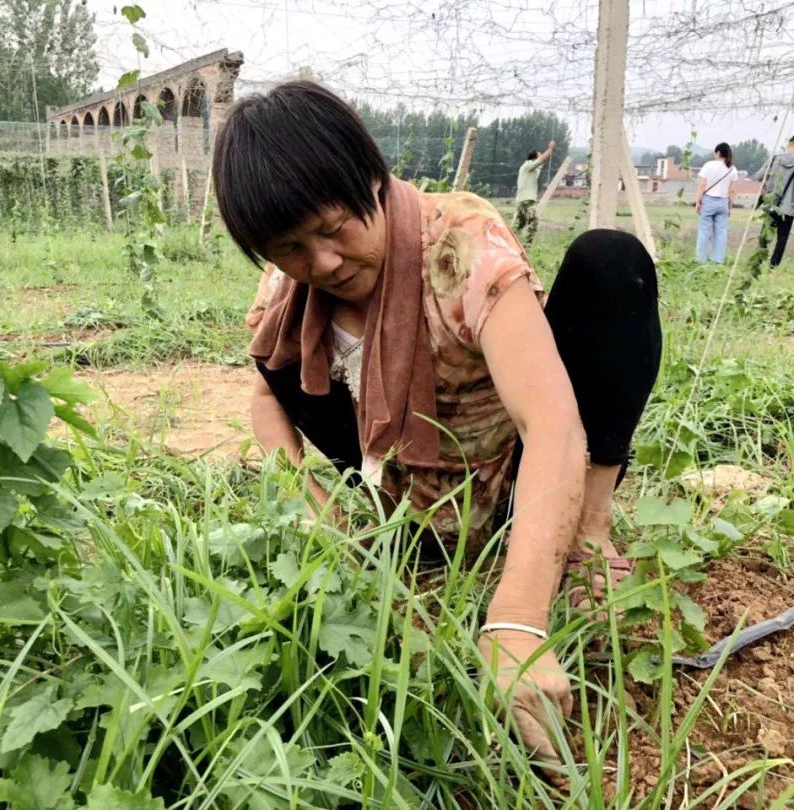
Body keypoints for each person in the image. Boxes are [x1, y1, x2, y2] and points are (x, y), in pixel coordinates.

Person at [217, 82, 661, 785]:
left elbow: (549, 422)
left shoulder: (460, 243)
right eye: (292, 247)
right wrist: (312, 501)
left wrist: (517, 623)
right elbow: (268, 399)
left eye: (334, 228)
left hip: (498, 478)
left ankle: (589, 532)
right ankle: (391, 537)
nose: (323, 263)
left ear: (370, 176)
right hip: (393, 504)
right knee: (280, 366)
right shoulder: (290, 291)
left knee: (613, 264)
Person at [756, 135, 794, 267]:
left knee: (765, 235)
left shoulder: (774, 159)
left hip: (771, 204)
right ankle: (773, 265)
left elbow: (759, 176)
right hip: (789, 208)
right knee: (782, 238)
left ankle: (758, 261)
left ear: (788, 145)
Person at [694, 143, 737, 264]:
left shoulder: (709, 165)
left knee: (704, 232)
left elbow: (702, 185)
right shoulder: (732, 169)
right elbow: (732, 191)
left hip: (708, 201)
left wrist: (698, 201)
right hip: (723, 202)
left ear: (718, 153)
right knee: (721, 232)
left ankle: (700, 260)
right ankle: (717, 260)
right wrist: (730, 207)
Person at [512, 141, 556, 245]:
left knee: (519, 225)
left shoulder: (531, 169)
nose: (541, 157)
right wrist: (550, 149)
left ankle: (512, 243)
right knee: (533, 222)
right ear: (534, 158)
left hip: (522, 200)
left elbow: (541, 163)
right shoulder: (528, 165)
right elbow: (541, 160)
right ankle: (527, 245)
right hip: (527, 201)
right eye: (539, 155)